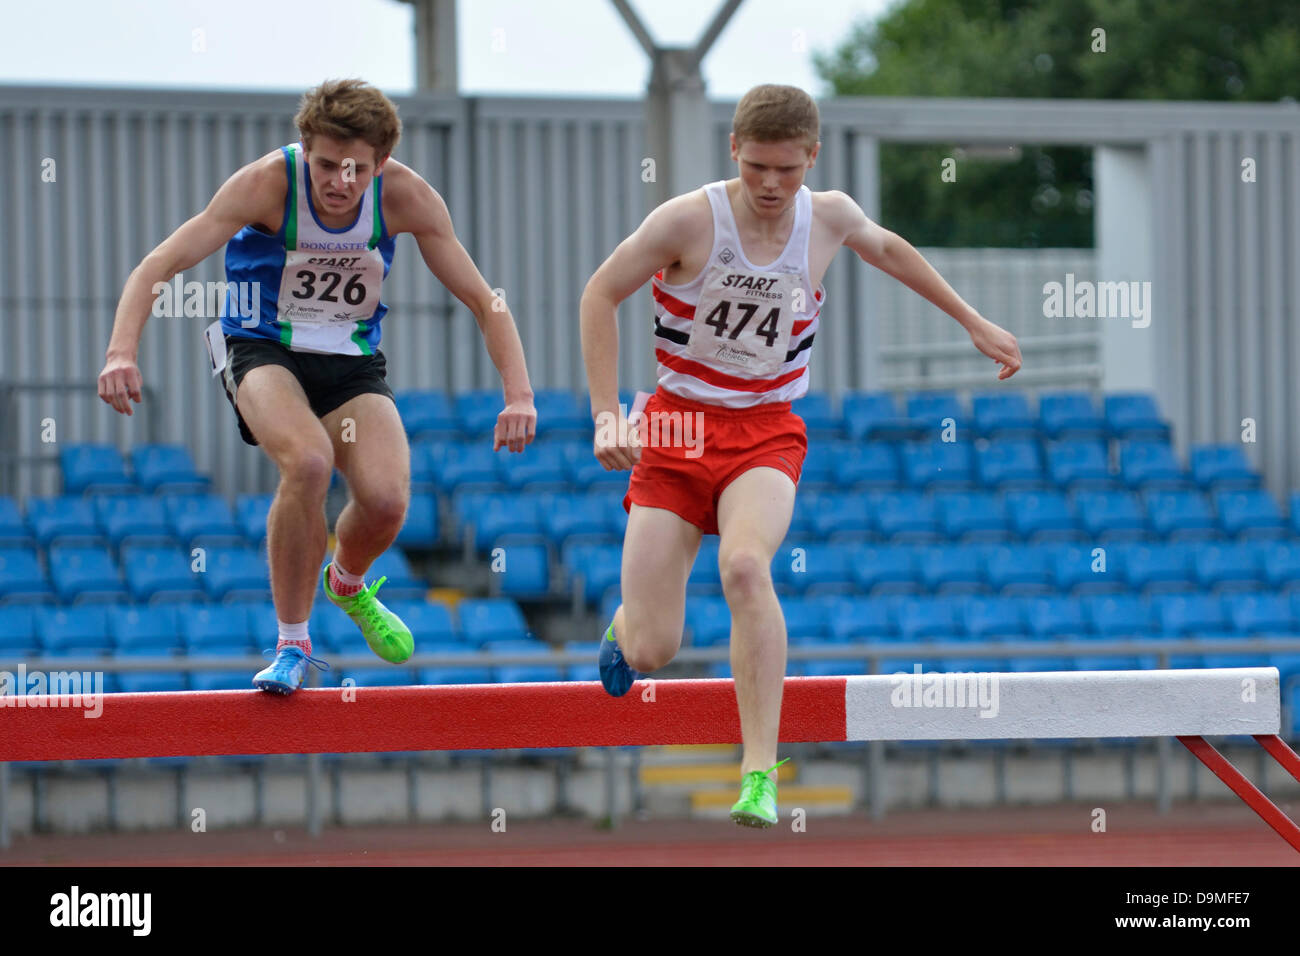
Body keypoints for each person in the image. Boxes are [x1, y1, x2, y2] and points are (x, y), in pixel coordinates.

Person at [580, 84, 1021, 827]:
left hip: (765, 429)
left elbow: (890, 250)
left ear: (812, 157)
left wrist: (971, 320)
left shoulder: (830, 217)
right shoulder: (688, 218)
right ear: (734, 152)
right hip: (675, 429)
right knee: (654, 647)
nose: (771, 186)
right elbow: (600, 294)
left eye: (787, 169)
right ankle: (626, 627)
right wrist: (603, 415)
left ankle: (757, 770)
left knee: (745, 567)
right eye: (757, 168)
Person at [97, 79, 536, 694]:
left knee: (386, 502)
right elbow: (158, 266)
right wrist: (121, 351)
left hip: (348, 361)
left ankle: (347, 584)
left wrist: (519, 394)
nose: (338, 183)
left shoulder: (407, 198)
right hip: (260, 346)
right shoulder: (267, 185)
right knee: (307, 461)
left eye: (356, 168)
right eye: (326, 165)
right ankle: (292, 645)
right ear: (306, 150)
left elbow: (483, 301)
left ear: (381, 162)